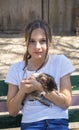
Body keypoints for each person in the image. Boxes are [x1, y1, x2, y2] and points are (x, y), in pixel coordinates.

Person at [5, 20, 75, 130]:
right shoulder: (16, 69)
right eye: (32, 41)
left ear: (50, 42)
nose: (37, 47)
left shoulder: (61, 62)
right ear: (26, 42)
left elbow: (66, 103)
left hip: (57, 122)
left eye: (42, 41)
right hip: (31, 124)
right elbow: (12, 111)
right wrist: (22, 91)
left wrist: (40, 88)